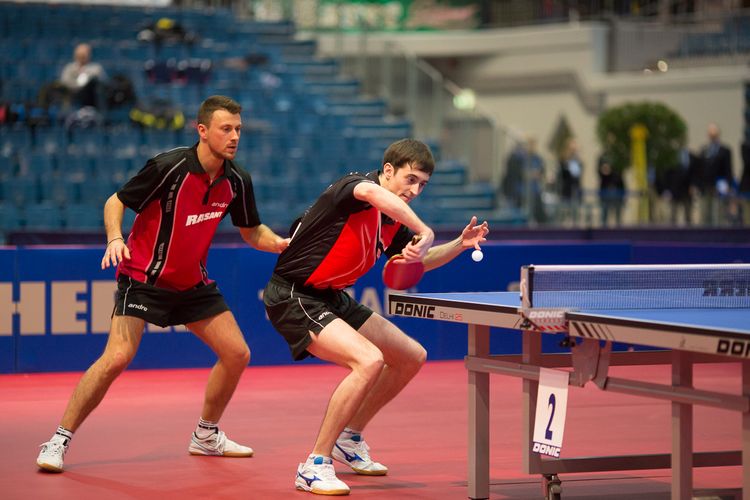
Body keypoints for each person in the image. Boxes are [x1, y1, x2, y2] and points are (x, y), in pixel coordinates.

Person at [36, 95, 290, 473]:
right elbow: (115, 201)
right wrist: (114, 238)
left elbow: (252, 232)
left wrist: (282, 245)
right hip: (143, 278)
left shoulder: (237, 180)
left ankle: (206, 436)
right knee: (117, 357)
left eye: (238, 129)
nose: (234, 136)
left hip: (192, 284)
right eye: (226, 129)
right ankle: (59, 439)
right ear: (202, 131)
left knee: (237, 353)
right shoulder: (169, 167)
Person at [263, 138, 489, 496]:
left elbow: (417, 263)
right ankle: (314, 465)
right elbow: (373, 194)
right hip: (294, 294)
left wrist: (457, 245)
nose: (414, 190)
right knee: (368, 361)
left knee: (411, 356)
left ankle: (349, 439)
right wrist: (425, 230)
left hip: (331, 297)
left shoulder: (391, 221)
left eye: (422, 185)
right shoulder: (354, 189)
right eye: (410, 179)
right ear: (388, 171)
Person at [697, 123, 734, 225]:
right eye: (710, 132)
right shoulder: (704, 150)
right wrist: (698, 185)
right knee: (705, 212)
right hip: (705, 186)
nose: (712, 135)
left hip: (719, 185)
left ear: (718, 134)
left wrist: (728, 184)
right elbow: (699, 170)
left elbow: (728, 169)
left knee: (718, 212)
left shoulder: (725, 150)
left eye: (714, 132)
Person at [59, 43, 107, 109]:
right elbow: (65, 82)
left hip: (92, 100)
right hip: (73, 95)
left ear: (89, 55)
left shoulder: (96, 68)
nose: (81, 57)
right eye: (79, 54)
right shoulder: (69, 68)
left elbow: (103, 83)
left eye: (84, 54)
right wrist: (79, 86)